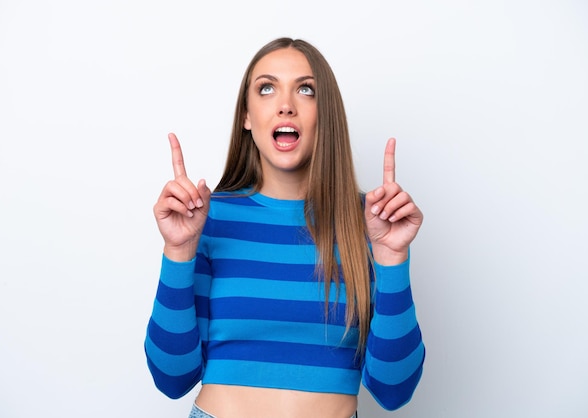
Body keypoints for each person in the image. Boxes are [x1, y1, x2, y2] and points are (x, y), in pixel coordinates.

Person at [145, 37, 425, 418]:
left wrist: (392, 259)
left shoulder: (371, 223)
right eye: (266, 88)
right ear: (246, 115)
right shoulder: (208, 219)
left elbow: (394, 389)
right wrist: (178, 252)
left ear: (324, 114)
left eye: (306, 90)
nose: (286, 105)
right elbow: (171, 378)